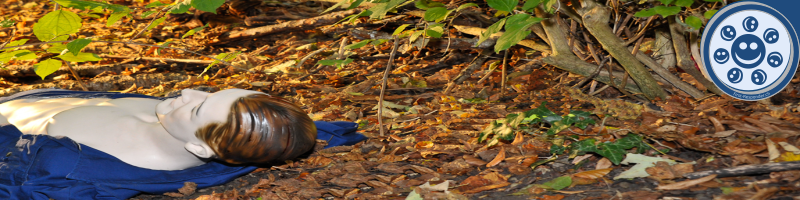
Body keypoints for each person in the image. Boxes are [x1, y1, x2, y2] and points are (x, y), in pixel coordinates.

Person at [0, 88, 367, 199]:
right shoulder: (192, 125)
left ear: (201, 151)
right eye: (210, 93)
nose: (188, 91)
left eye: (198, 108)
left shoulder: (81, 167)